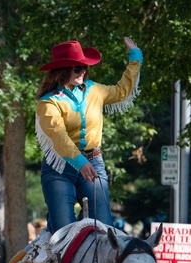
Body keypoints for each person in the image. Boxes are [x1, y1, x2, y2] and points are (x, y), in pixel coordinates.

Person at [34, 37, 142, 230]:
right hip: (59, 169)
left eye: (84, 67)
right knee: (62, 233)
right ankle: (44, 254)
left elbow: (122, 91)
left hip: (94, 163)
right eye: (77, 68)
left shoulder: (94, 90)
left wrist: (135, 57)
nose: (83, 71)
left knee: (103, 230)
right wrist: (80, 162)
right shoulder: (48, 103)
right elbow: (58, 135)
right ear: (63, 70)